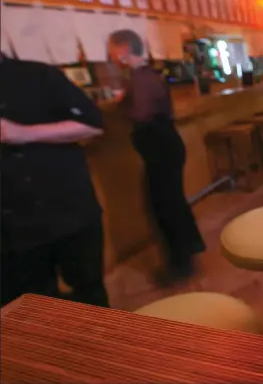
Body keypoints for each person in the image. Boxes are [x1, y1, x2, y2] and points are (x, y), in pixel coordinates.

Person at [0, 53, 109, 308]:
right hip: (10, 230)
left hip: (70, 212)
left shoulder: (37, 74)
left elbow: (92, 125)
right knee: (30, 309)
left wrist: (22, 133)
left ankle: (104, 345)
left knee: (90, 292)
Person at [107, 30, 206, 278]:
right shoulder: (145, 76)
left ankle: (180, 266)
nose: (111, 57)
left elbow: (141, 114)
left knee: (163, 206)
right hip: (166, 148)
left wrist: (123, 104)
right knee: (170, 204)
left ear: (124, 50)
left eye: (112, 51)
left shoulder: (141, 78)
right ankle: (186, 256)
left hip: (161, 151)